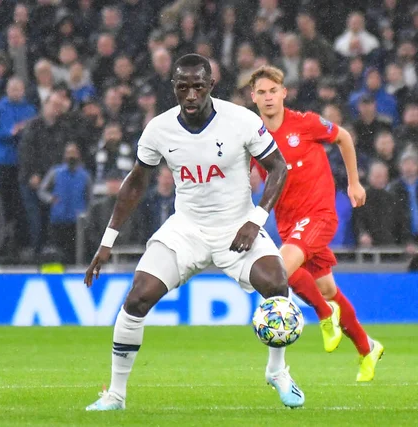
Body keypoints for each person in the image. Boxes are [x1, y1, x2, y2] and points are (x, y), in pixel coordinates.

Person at [84, 54, 304, 411]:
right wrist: (107, 241)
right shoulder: (159, 128)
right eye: (182, 86)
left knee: (277, 285)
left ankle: (277, 371)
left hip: (237, 226)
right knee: (137, 297)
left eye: (198, 86)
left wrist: (256, 220)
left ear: (210, 87)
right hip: (186, 229)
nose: (190, 95)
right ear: (173, 87)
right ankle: (116, 395)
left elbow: (278, 168)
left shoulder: (241, 121)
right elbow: (136, 183)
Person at [249, 65, 384, 382]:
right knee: (327, 288)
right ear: (253, 98)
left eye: (273, 91)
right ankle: (367, 349)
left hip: (319, 214)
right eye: (262, 92)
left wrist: (354, 183)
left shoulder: (305, 123)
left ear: (283, 93)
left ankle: (325, 317)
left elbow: (344, 137)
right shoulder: (254, 137)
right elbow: (250, 175)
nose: (268, 97)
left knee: (280, 268)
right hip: (290, 222)